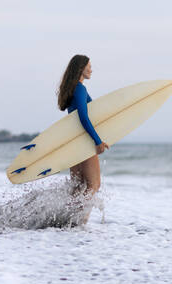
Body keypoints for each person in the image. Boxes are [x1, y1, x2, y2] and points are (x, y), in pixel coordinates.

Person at [57, 54, 109, 224]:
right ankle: (80, 221)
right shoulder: (80, 89)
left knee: (78, 187)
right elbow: (84, 118)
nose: (91, 69)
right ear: (81, 68)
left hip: (73, 143)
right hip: (83, 142)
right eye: (89, 66)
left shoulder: (72, 89)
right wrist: (97, 141)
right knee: (93, 185)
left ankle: (68, 220)